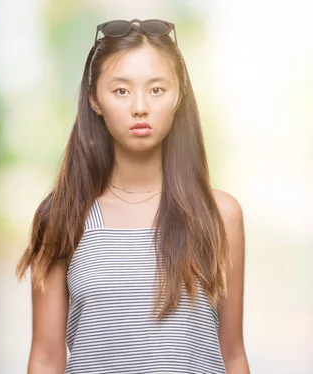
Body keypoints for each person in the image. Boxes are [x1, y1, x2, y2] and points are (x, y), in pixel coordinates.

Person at [15, 19, 249, 374]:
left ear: (178, 96)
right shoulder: (62, 217)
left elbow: (231, 353)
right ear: (94, 99)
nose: (140, 107)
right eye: (121, 91)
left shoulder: (219, 215)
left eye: (157, 89)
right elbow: (46, 358)